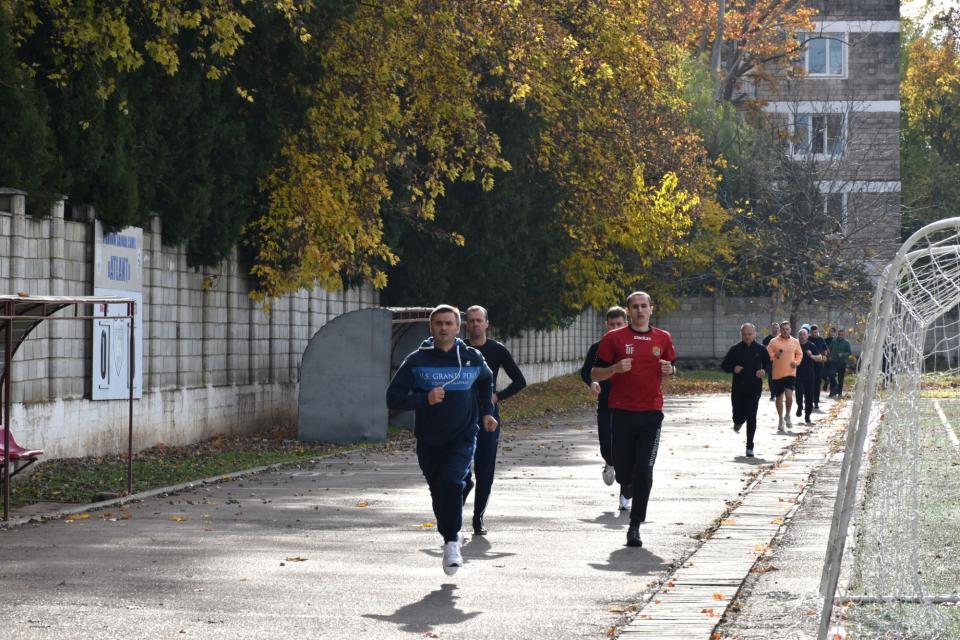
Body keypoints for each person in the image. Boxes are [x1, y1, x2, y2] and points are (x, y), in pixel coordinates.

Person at [386, 304, 497, 575]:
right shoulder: (417, 360)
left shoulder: (470, 357)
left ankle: (451, 542)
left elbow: (486, 381)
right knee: (440, 491)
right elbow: (393, 398)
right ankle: (450, 530)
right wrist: (425, 399)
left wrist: (486, 413)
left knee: (449, 482)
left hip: (463, 435)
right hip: (429, 439)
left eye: (449, 323)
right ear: (431, 327)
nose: (444, 328)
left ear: (458, 328)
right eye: (439, 323)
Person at [591, 291, 676, 548]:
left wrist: (670, 370)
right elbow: (595, 372)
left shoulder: (663, 338)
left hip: (651, 413)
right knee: (624, 472)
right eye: (635, 307)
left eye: (644, 306)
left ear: (651, 308)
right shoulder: (614, 338)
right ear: (628, 311)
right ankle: (625, 484)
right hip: (622, 413)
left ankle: (635, 525)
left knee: (645, 471)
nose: (640, 310)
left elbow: (672, 366)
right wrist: (615, 369)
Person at [464, 305, 526, 536]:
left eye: (479, 320)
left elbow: (520, 381)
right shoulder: (459, 349)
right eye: (471, 321)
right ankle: (464, 485)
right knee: (460, 467)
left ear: (487, 324)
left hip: (488, 415)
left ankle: (478, 517)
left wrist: (497, 395)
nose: (475, 324)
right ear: (466, 324)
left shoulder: (497, 350)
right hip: (461, 415)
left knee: (485, 468)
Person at [581, 306, 629, 508]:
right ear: (606, 325)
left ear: (626, 324)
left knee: (627, 452)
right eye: (612, 324)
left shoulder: (631, 346)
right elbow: (586, 372)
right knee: (606, 447)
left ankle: (625, 494)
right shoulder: (598, 347)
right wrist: (592, 383)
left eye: (619, 324)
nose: (615, 328)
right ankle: (609, 462)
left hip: (628, 406)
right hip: (606, 404)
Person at [721, 323, 771, 457]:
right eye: (745, 334)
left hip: (754, 388)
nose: (747, 337)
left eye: (750, 334)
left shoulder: (760, 349)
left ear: (755, 334)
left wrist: (764, 370)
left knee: (751, 416)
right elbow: (724, 365)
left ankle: (750, 446)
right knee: (738, 415)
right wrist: (733, 369)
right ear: (741, 334)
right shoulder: (735, 349)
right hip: (738, 388)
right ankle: (738, 422)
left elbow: (768, 363)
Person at [767, 321, 802, 433]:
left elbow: (799, 354)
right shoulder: (773, 341)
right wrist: (774, 355)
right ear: (780, 330)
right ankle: (781, 419)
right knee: (779, 398)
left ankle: (787, 415)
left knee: (789, 397)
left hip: (790, 373)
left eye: (787, 329)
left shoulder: (795, 341)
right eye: (783, 329)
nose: (785, 331)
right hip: (777, 374)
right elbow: (768, 354)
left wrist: (796, 362)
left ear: (790, 329)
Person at [794, 328, 826, 424]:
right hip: (797, 373)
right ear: (798, 336)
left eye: (804, 334)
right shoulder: (795, 345)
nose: (802, 336)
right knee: (799, 391)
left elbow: (819, 358)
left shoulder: (811, 345)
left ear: (807, 336)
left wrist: (811, 356)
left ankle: (807, 415)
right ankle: (800, 406)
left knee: (809, 395)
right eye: (800, 334)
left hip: (809, 374)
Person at [809, 325, 828, 411]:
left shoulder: (821, 339)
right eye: (813, 333)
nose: (815, 334)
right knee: (810, 383)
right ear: (810, 332)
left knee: (817, 383)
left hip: (819, 365)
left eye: (816, 332)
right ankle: (809, 400)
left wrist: (824, 355)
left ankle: (816, 402)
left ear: (818, 331)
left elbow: (825, 350)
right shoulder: (808, 339)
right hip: (809, 365)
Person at [830, 329, 853, 397]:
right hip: (834, 361)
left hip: (842, 362)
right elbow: (830, 348)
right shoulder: (834, 341)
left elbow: (849, 352)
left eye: (842, 335)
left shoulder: (846, 343)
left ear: (844, 335)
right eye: (839, 334)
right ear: (837, 334)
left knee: (840, 378)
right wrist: (828, 354)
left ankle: (839, 392)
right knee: (831, 375)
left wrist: (843, 354)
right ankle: (833, 391)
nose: (840, 336)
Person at [762, 323, 780, 401]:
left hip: (781, 362)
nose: (775, 329)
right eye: (774, 328)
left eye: (777, 328)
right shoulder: (766, 339)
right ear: (771, 329)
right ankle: (773, 394)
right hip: (771, 362)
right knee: (771, 378)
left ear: (779, 329)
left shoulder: (782, 338)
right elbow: (766, 351)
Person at [822, 327, 836, 394]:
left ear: (834, 333)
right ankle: (826, 381)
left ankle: (832, 391)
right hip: (825, 359)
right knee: (823, 374)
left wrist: (832, 356)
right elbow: (823, 348)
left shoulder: (835, 341)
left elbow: (836, 350)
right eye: (830, 331)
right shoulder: (825, 340)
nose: (831, 333)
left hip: (833, 361)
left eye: (832, 332)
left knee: (832, 375)